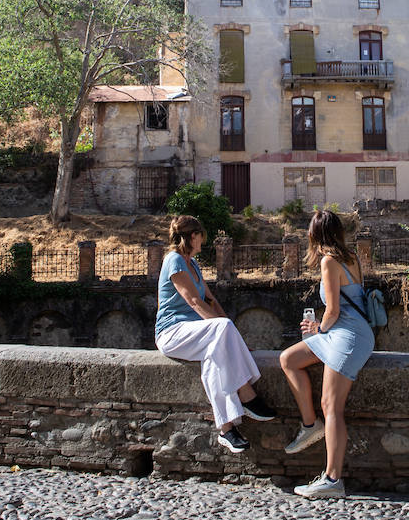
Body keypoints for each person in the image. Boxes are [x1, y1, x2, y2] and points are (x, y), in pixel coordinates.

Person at [154, 215, 276, 452]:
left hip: (198, 333)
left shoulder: (194, 265)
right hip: (172, 332)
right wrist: (225, 331)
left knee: (215, 355)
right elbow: (194, 301)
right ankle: (247, 394)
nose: (203, 242)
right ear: (192, 236)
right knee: (222, 329)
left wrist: (232, 338)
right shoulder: (174, 260)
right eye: (201, 237)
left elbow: (211, 299)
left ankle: (227, 430)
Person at [278, 209, 375, 499]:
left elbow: (332, 311)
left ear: (314, 235)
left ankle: (333, 479)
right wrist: (322, 329)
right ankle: (310, 425)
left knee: (331, 405)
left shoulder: (329, 262)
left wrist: (318, 327)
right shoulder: (352, 257)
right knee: (289, 359)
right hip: (343, 332)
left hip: (348, 336)